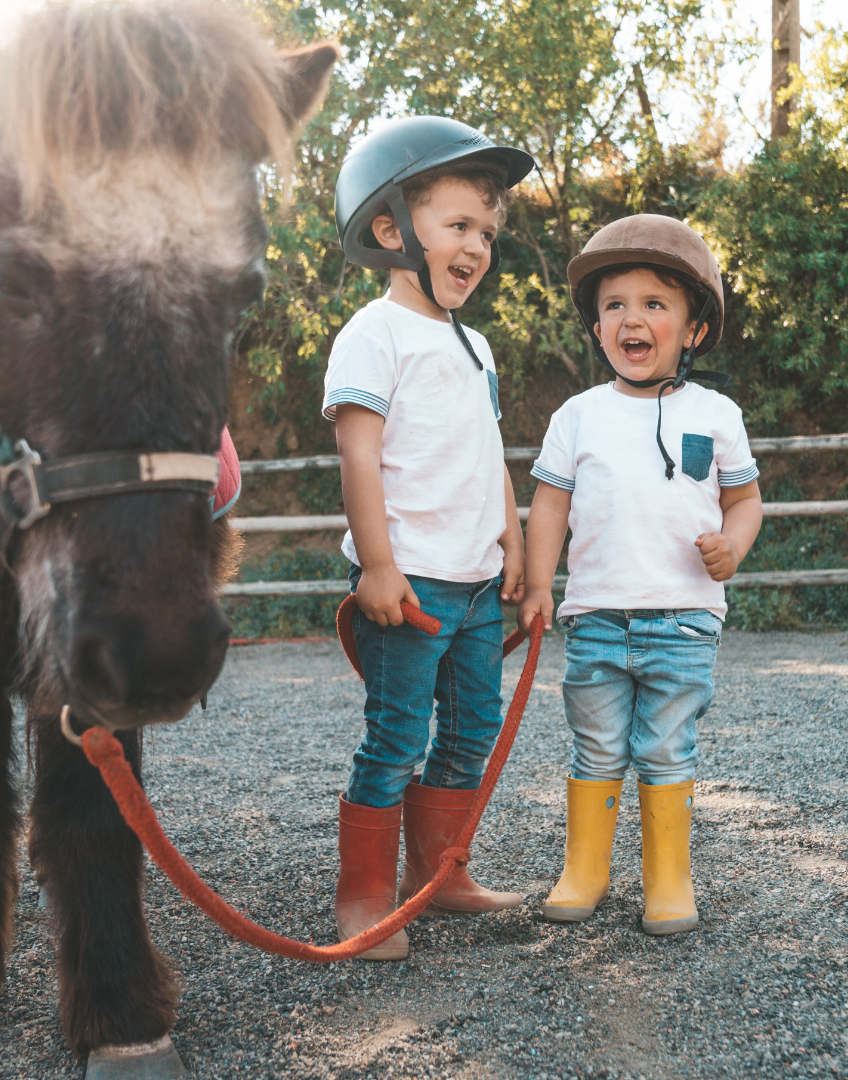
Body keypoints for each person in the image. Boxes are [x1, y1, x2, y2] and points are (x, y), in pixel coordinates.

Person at [518, 214, 763, 936]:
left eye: (655, 304)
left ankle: (669, 879)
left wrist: (734, 543)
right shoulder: (577, 416)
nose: (633, 318)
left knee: (664, 748)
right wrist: (538, 587)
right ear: (597, 329)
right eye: (615, 305)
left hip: (685, 619)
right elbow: (549, 507)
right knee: (594, 746)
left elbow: (745, 499)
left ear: (694, 331)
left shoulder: (716, 414)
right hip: (594, 616)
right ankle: (585, 870)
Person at [325, 117, 534, 960]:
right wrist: (377, 564)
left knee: (469, 731)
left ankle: (440, 872)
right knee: (397, 735)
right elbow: (358, 454)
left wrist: (515, 542)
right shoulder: (372, 335)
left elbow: (487, 451)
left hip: (480, 583)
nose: (477, 246)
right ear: (390, 231)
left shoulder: (474, 343)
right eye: (459, 226)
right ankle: (364, 895)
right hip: (408, 583)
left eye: (486, 233)